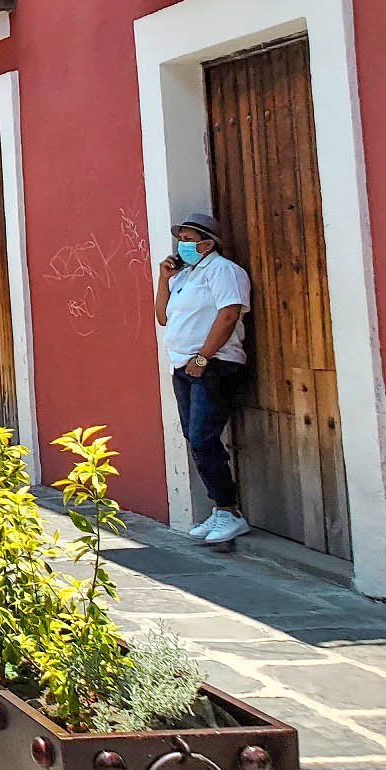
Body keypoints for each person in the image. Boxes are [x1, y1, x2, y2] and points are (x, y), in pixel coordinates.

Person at [156, 210, 253, 545]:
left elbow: (228, 315)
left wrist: (202, 357)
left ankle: (228, 511)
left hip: (213, 366)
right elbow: (162, 317)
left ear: (208, 244)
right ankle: (220, 509)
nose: (181, 244)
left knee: (202, 438)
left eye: (188, 239)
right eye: (179, 239)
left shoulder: (225, 271)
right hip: (184, 368)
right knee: (195, 437)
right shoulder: (184, 277)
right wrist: (163, 279)